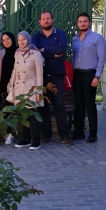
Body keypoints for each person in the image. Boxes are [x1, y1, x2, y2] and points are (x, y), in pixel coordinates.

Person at [31, 11, 72, 146]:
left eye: (48, 18)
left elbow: (62, 48)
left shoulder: (60, 33)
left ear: (52, 20)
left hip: (56, 76)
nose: (46, 21)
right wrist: (53, 55)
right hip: (41, 77)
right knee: (43, 107)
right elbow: (35, 53)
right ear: (40, 22)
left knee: (59, 106)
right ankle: (46, 135)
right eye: (43, 19)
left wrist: (44, 50)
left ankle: (64, 136)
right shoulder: (36, 36)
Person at [71, 13, 106, 143]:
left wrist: (97, 76)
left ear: (89, 23)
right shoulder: (74, 39)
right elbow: (73, 58)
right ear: (77, 23)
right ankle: (79, 132)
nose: (83, 24)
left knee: (90, 104)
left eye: (85, 21)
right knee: (78, 104)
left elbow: (102, 58)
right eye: (80, 21)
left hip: (90, 74)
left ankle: (93, 133)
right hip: (77, 74)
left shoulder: (97, 38)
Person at [8, 31, 44, 151]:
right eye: (19, 40)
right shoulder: (17, 53)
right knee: (23, 114)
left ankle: (36, 140)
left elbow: (39, 73)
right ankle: (26, 138)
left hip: (31, 87)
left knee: (33, 114)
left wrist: (39, 91)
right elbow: (14, 70)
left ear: (28, 39)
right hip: (19, 87)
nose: (21, 42)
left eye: (23, 39)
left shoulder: (35, 54)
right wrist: (11, 84)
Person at [0, 31, 17, 145]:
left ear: (12, 39)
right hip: (3, 85)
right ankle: (3, 133)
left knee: (11, 110)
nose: (6, 41)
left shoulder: (18, 52)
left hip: (15, 85)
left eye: (8, 39)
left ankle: (10, 134)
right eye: (4, 40)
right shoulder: (1, 53)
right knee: (3, 109)